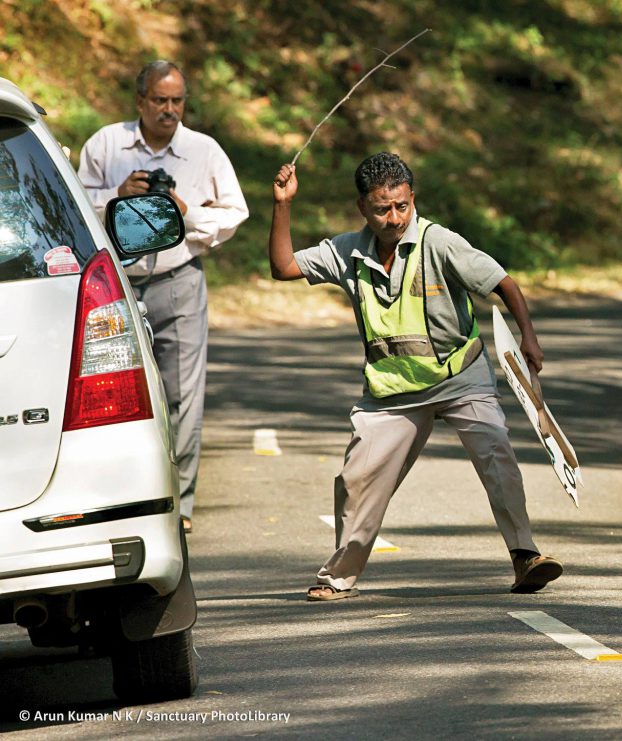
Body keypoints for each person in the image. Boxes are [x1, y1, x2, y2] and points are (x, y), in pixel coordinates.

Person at [268, 152, 563, 599]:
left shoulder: (438, 242)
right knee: (355, 481)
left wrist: (529, 337)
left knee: (496, 451)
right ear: (363, 208)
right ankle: (339, 577)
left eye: (402, 206)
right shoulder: (347, 250)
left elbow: (503, 282)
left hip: (459, 376)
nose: (394, 217)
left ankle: (526, 555)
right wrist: (283, 204)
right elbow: (283, 267)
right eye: (382, 208)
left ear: (412, 199)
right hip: (391, 393)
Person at [78, 60, 249, 533]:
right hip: (116, 283)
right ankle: (115, 497)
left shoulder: (203, 151)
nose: (169, 110)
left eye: (177, 101)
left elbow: (236, 212)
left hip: (180, 279)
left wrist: (187, 214)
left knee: (183, 395)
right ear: (140, 101)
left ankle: (182, 503)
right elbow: (72, 203)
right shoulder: (106, 145)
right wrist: (116, 194)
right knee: (109, 391)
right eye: (159, 100)